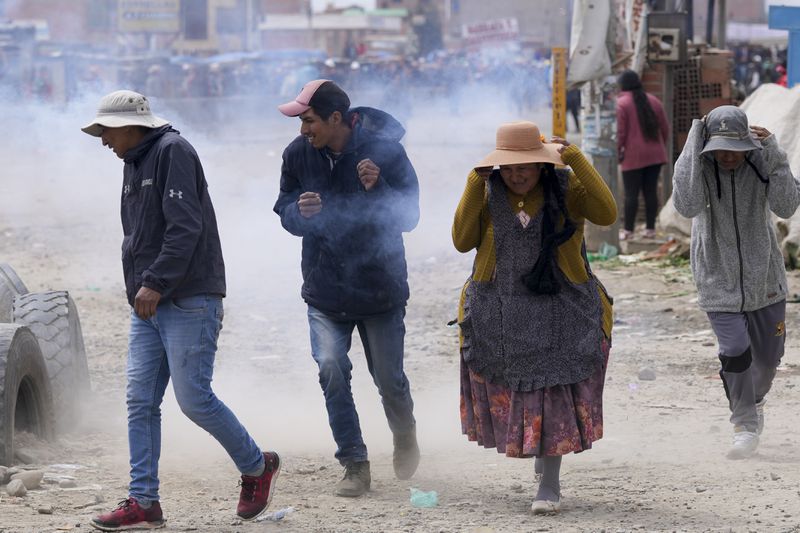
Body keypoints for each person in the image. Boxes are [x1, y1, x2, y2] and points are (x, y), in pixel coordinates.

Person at [81, 90, 280, 530]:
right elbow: (139, 235)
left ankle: (257, 465)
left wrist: (154, 282)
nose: (103, 141)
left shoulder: (173, 152)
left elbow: (185, 226)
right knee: (139, 401)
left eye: (107, 131)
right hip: (148, 302)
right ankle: (143, 501)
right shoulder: (134, 162)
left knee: (194, 400)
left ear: (132, 126)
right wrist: (141, 288)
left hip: (188, 297)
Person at [452, 121, 616, 514]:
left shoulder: (566, 190)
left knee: (552, 392)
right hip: (501, 310)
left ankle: (550, 484)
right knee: (525, 395)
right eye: (507, 168)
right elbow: (461, 241)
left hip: (562, 309)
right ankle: (542, 464)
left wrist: (574, 157)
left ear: (543, 166)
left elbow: (607, 213)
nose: (517, 175)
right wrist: (477, 182)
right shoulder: (488, 193)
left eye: (525, 166)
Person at [274, 79, 421, 497]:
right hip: (325, 288)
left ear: (336, 118)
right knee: (331, 370)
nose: (303, 130)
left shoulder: (386, 151)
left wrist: (380, 189)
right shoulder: (298, 154)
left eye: (309, 120)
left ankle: (405, 432)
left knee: (389, 379)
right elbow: (284, 208)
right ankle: (354, 463)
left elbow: (410, 215)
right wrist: (298, 213)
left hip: (380, 289)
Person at [672, 105, 800, 459]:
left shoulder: (761, 164)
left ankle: (755, 401)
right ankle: (744, 424)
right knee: (734, 350)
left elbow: (787, 206)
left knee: (770, 359)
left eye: (735, 148)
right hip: (717, 277)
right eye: (720, 148)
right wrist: (693, 143)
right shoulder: (700, 169)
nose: (728, 156)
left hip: (765, 279)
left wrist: (773, 152)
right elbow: (685, 204)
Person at [616, 69, 670, 240]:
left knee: (631, 194)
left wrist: (618, 153)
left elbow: (620, 134)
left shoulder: (621, 103)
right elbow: (665, 128)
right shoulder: (654, 100)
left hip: (633, 156)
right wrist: (659, 145)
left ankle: (628, 231)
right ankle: (650, 229)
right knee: (650, 192)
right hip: (655, 155)